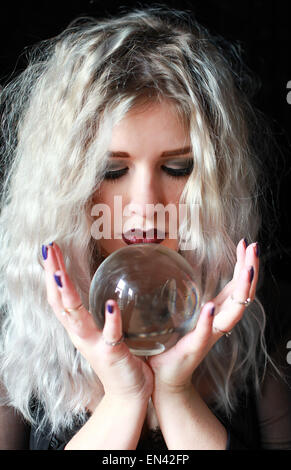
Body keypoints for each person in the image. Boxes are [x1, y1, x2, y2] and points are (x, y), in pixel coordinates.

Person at [0, 6, 290, 450]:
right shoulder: (14, 337)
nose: (146, 208)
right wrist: (125, 398)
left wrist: (175, 393)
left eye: (177, 167)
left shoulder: (263, 325)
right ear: (64, 186)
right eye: (111, 172)